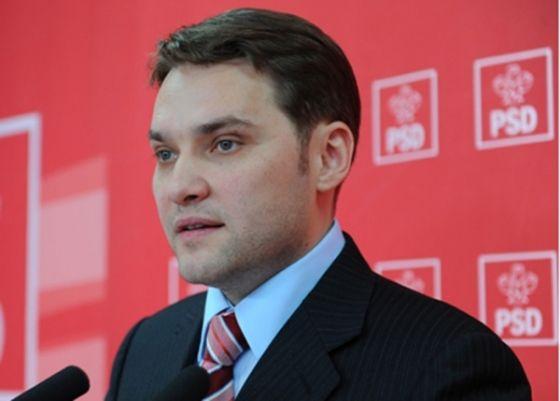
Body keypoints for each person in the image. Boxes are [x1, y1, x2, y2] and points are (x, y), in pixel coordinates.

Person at [105, 8, 531, 401]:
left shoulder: (446, 368)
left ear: (328, 156)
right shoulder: (146, 347)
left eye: (225, 144)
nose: (181, 186)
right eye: (166, 154)